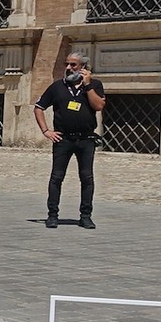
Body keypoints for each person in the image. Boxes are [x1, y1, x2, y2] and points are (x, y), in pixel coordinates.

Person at [34, 52, 107, 229]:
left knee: (87, 177)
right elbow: (39, 108)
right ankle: (52, 215)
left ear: (83, 68)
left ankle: (86, 216)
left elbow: (98, 106)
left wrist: (88, 85)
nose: (68, 68)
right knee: (56, 177)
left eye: (73, 65)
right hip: (63, 139)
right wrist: (46, 131)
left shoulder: (95, 85)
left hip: (86, 140)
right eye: (67, 64)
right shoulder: (57, 87)